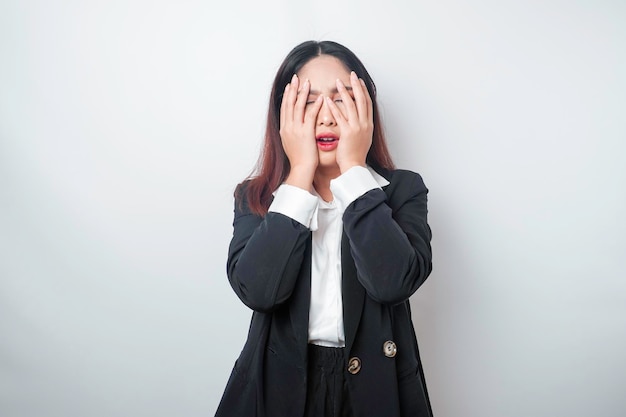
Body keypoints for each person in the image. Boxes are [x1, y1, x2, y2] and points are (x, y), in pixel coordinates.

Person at [215, 40, 433, 417]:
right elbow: (258, 291)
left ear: (366, 109)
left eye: (342, 98)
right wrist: (299, 174)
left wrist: (353, 171)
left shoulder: (402, 191)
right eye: (308, 101)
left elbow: (393, 282)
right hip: (278, 387)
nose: (327, 116)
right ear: (284, 115)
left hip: (375, 386)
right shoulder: (256, 196)